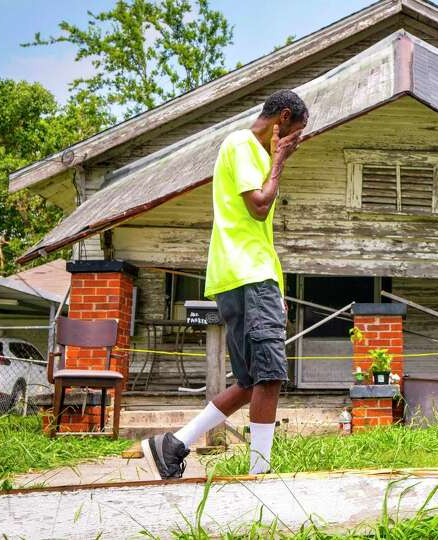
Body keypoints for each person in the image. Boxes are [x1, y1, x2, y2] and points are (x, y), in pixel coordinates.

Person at [142, 89, 308, 480]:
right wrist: (280, 160)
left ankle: (173, 445)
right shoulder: (243, 144)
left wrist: (277, 291)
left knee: (251, 382)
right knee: (270, 375)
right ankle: (260, 474)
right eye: (295, 134)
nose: (294, 143)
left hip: (246, 276)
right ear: (282, 119)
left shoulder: (252, 154)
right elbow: (259, 205)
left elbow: (258, 231)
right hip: (249, 275)